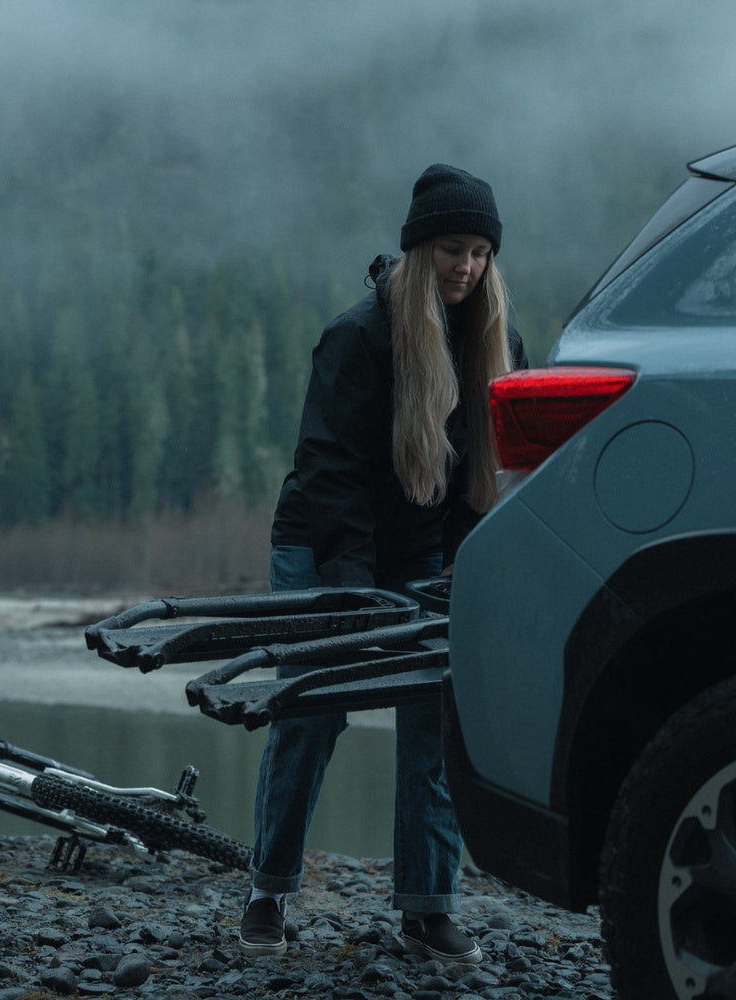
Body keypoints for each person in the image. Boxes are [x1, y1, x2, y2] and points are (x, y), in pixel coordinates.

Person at [239, 163, 528, 963]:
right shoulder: (359, 336)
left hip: (425, 552)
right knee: (313, 709)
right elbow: (330, 473)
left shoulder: (501, 346)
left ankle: (428, 907)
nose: (464, 267)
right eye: (448, 250)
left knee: (433, 715)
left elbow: (490, 483)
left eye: (477, 252)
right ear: (417, 251)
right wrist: (350, 593)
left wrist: (459, 573)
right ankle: (268, 890)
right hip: (322, 545)